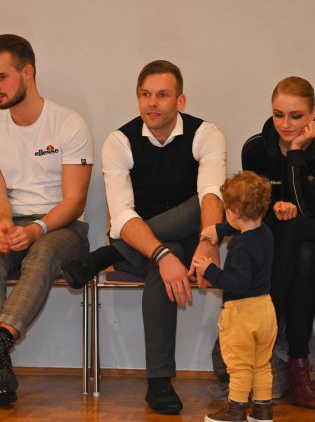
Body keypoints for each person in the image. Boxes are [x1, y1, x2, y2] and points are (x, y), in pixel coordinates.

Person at [62, 60, 226, 414]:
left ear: (180, 101)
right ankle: (159, 382)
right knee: (169, 252)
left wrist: (209, 241)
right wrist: (162, 254)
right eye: (145, 95)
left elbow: (211, 194)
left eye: (162, 95)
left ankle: (107, 255)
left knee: (203, 202)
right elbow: (122, 215)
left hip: (182, 240)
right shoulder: (120, 141)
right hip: (142, 244)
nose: (152, 103)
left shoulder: (205, 133)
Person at [0, 34, 93, 407]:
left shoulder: (69, 123)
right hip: (12, 218)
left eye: (2, 77)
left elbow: (75, 200)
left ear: (28, 72)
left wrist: (38, 229)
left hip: (62, 227)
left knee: (42, 253)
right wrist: (3, 223)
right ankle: (0, 370)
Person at [241, 76, 315, 409]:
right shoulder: (254, 149)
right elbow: (254, 217)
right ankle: (298, 368)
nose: (286, 124)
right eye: (278, 114)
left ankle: (263, 333)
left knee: (298, 225)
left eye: (296, 116)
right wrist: (275, 213)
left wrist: (295, 154)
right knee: (302, 253)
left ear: (314, 112)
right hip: (286, 250)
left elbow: (310, 208)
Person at [193, 171, 277, 422]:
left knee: (239, 366)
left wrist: (210, 270)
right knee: (262, 364)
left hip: (241, 314)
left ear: (232, 212)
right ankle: (262, 410)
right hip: (265, 309)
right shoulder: (266, 233)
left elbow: (237, 284)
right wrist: (218, 229)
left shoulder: (240, 247)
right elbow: (239, 224)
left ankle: (236, 410)